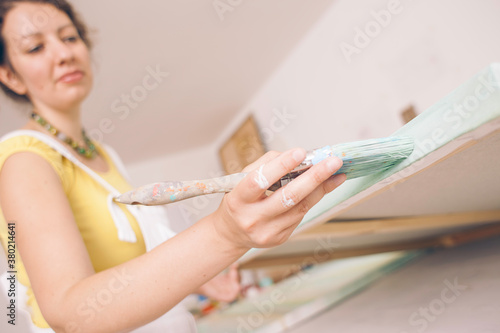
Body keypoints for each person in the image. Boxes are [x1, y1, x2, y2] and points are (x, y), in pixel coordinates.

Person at [0, 0, 346, 332]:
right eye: (35, 48)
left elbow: (130, 273)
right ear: (10, 77)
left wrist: (201, 275)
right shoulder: (22, 161)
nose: (64, 54)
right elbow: (69, 316)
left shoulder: (103, 154)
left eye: (70, 37)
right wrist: (224, 234)